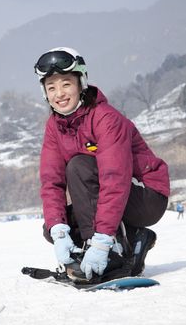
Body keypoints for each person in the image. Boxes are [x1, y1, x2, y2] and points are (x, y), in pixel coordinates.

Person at [34, 47, 170, 282]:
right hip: (112, 197)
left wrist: (101, 242)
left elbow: (114, 180)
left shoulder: (106, 118)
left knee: (79, 166)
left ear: (81, 83)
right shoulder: (54, 127)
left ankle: (112, 253)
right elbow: (51, 182)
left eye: (66, 84)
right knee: (54, 224)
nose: (59, 93)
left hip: (145, 196)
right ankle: (135, 241)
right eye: (51, 87)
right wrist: (59, 233)